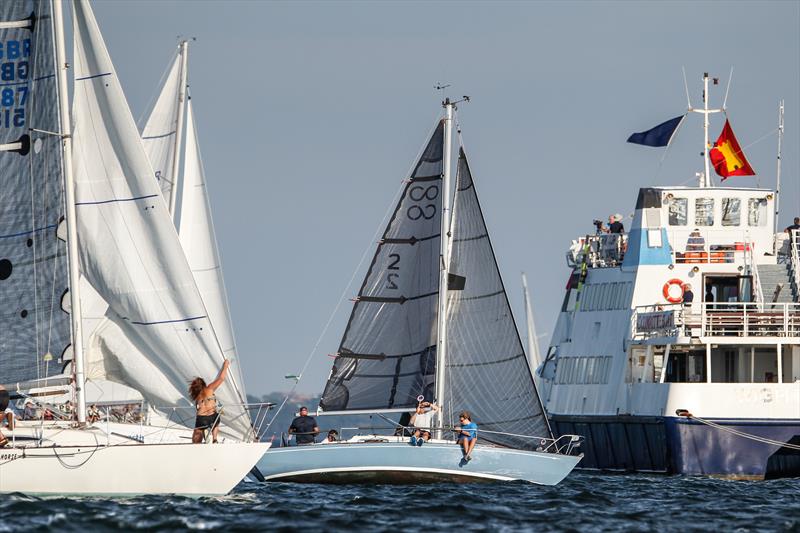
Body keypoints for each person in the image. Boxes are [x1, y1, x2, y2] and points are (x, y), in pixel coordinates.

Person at [189, 359, 230, 444]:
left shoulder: (197, 396)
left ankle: (196, 444)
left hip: (202, 418)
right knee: (216, 421)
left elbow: (197, 408)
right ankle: (215, 439)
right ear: (203, 384)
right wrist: (226, 365)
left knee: (197, 433)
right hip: (213, 417)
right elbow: (221, 378)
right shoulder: (210, 388)